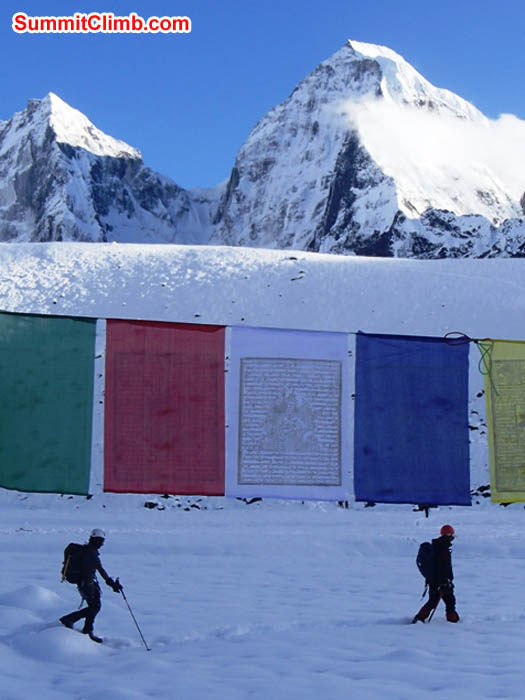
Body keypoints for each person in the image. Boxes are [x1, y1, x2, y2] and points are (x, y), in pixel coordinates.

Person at [60, 528, 122, 642]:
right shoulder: (91, 553)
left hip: (85, 582)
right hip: (87, 583)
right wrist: (111, 584)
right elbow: (100, 569)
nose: (102, 544)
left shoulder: (86, 550)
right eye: (101, 541)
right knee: (95, 607)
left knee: (94, 606)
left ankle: (87, 629)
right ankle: (70, 620)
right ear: (97, 540)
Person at [412, 524, 460, 624]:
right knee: (449, 601)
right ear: (449, 535)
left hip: (434, 581)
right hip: (441, 582)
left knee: (433, 601)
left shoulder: (437, 546)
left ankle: (419, 618)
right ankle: (453, 621)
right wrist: (445, 582)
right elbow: (443, 568)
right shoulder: (443, 549)